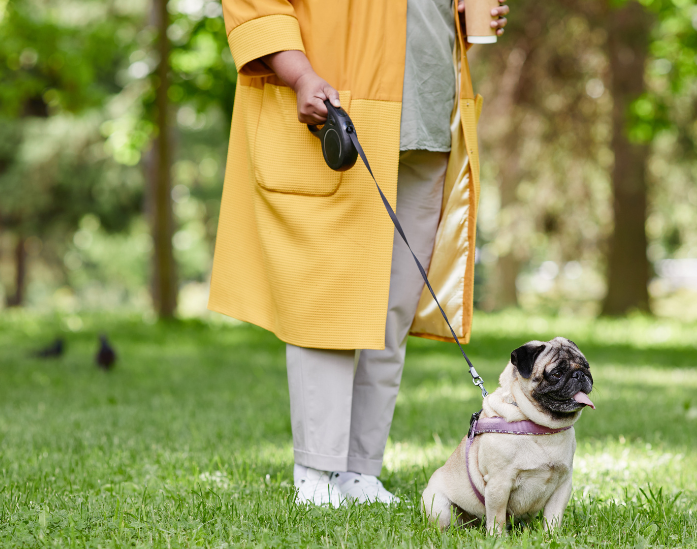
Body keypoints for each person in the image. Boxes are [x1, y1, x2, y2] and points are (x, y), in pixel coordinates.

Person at [209, 0, 508, 505]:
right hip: (340, 108)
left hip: (431, 114)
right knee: (328, 301)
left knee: (391, 306)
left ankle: (359, 472)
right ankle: (316, 472)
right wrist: (300, 74)